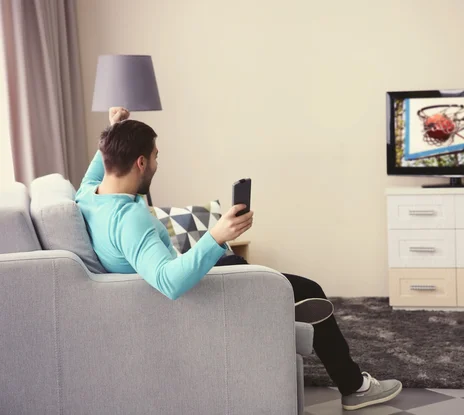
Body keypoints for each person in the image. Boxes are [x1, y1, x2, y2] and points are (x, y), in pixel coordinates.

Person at [75, 107, 402, 411]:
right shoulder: (130, 220)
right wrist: (217, 235)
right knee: (309, 289)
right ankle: (354, 387)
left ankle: (266, 298)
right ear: (141, 163)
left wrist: (115, 128)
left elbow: (98, 166)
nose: (159, 164)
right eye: (156, 157)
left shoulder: (90, 195)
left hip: (187, 273)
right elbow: (169, 283)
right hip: (188, 298)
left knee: (239, 267)